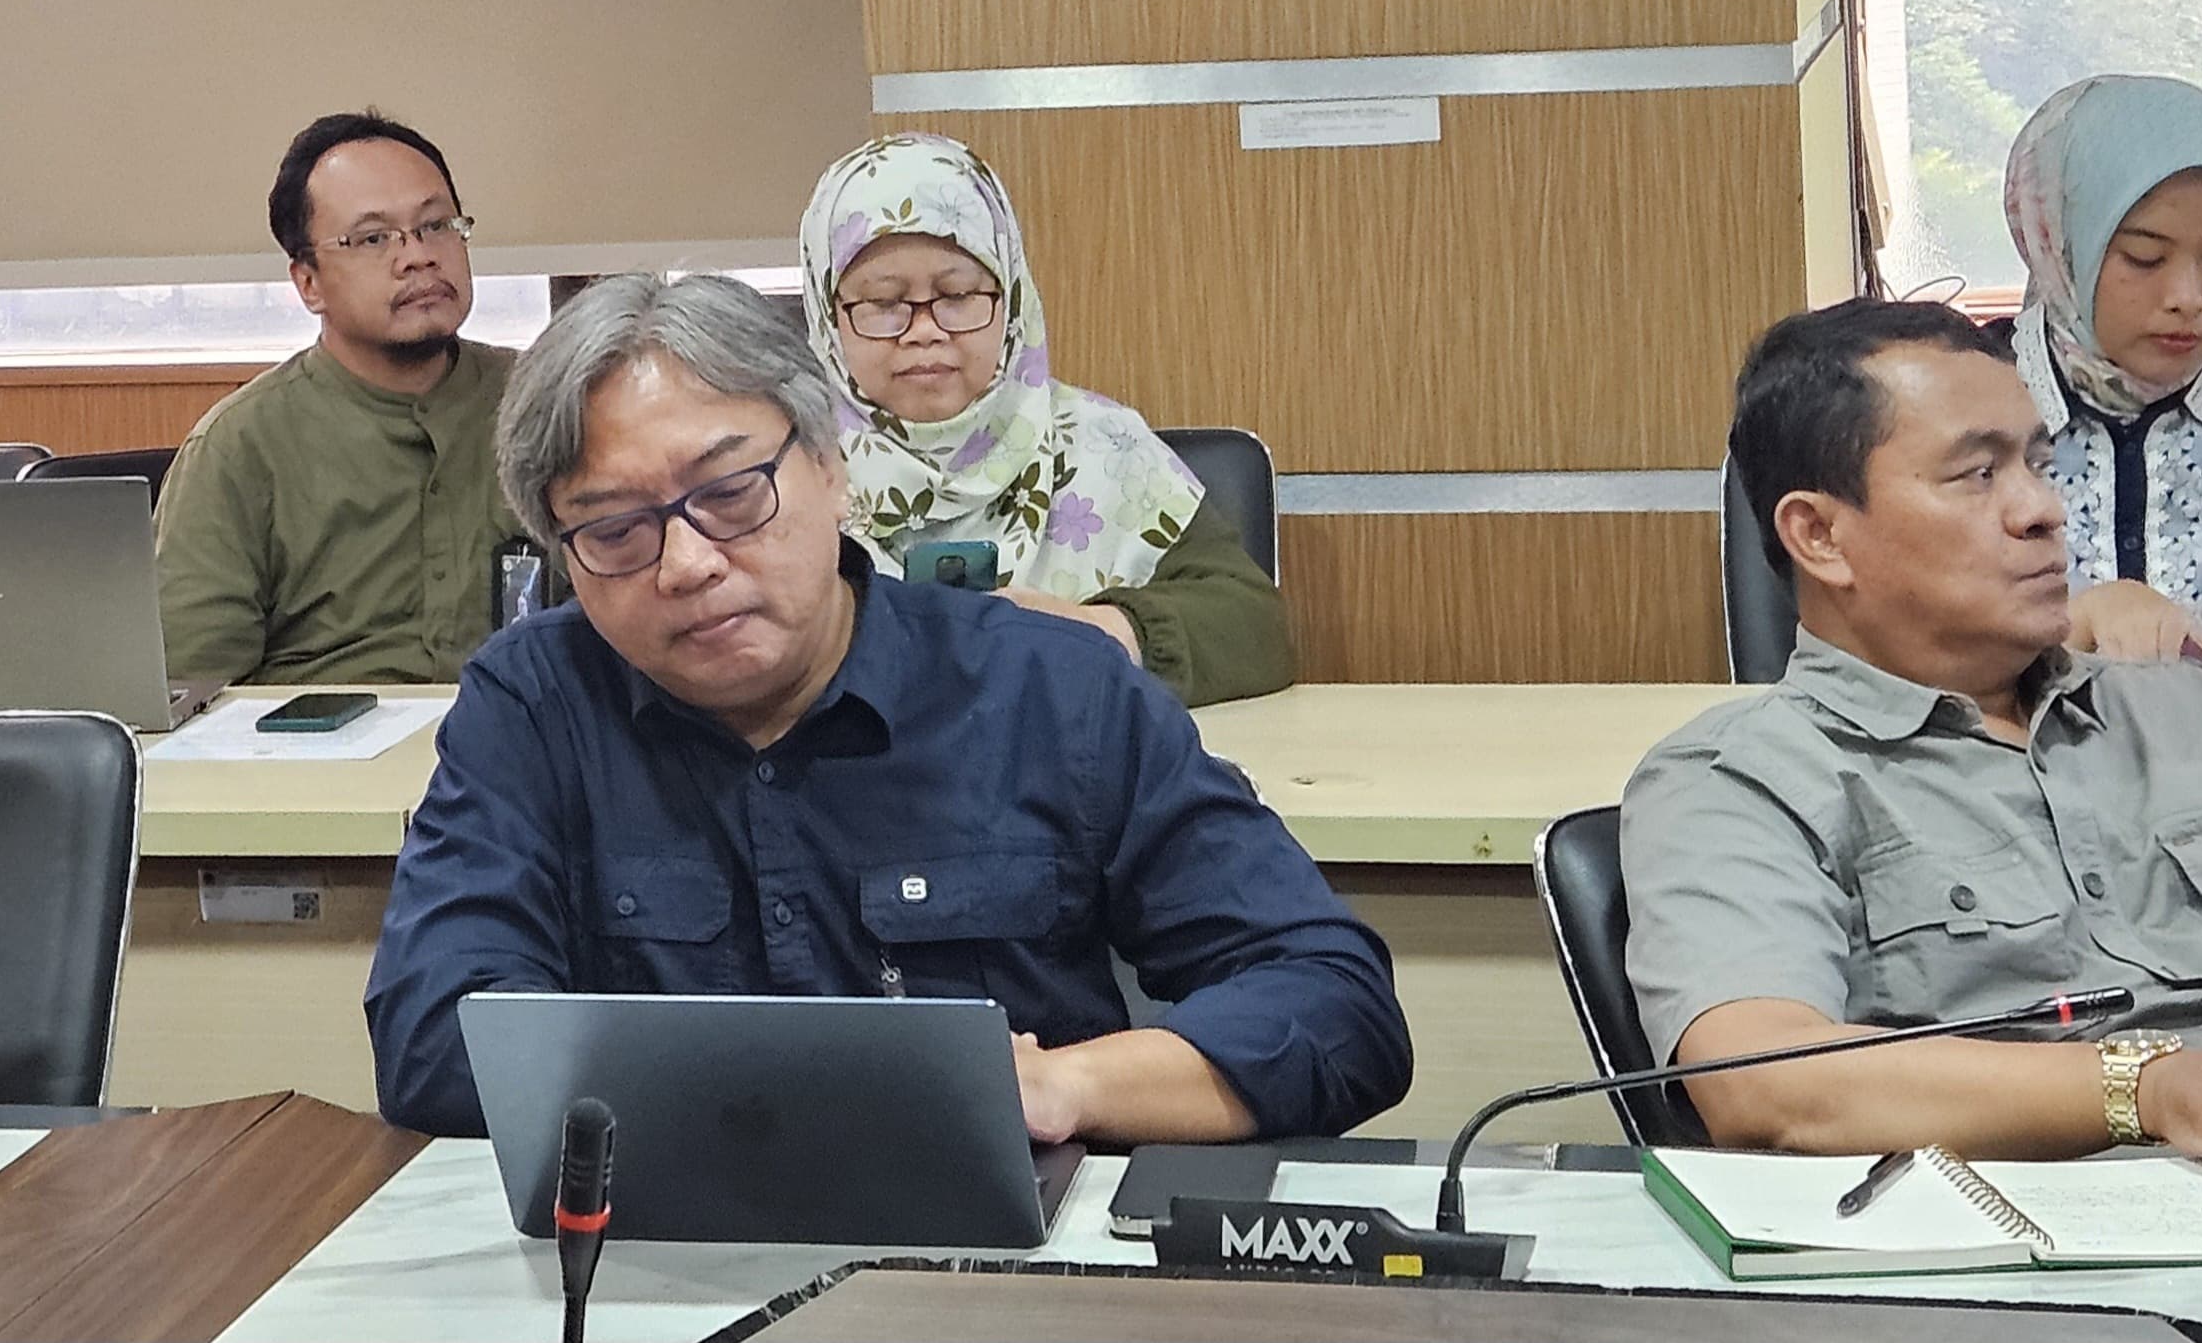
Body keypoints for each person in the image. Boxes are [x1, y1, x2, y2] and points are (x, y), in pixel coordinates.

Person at [366, 273, 1407, 1143]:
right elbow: (434, 1042)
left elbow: (1331, 1004)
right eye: (613, 529)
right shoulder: (530, 703)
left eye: (731, 494)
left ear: (830, 469)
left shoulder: (1050, 690)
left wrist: (1064, 1087)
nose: (685, 564)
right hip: (660, 1249)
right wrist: (831, 1098)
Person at [1622, 298, 2202, 1165]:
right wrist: (2156, 1088)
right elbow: (1763, 1078)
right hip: (2033, 1263)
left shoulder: (2193, 711)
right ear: (1821, 534)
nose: (2043, 510)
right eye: (1978, 475)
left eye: (2038, 463)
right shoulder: (1742, 777)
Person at [799, 134, 1291, 705]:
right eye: (884, 304)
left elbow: (1256, 628)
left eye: (957, 294)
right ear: (828, 317)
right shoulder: (787, 470)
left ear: (1011, 299)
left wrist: (1096, 632)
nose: (925, 330)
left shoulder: (1103, 448)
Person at [156, 111, 515, 688]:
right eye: (374, 238)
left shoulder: (548, 402)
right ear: (308, 283)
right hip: (314, 762)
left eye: (437, 225)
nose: (418, 256)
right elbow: (188, 689)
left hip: (531, 751)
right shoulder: (240, 446)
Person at [1997, 74, 2202, 661]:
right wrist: (2074, 627)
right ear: (2059, 242)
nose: (2188, 297)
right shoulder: (1959, 414)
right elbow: (1898, 661)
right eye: (2145, 257)